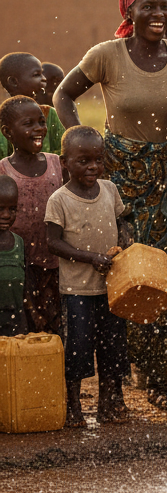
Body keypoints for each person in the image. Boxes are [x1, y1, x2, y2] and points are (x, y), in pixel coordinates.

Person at [54, 0, 167, 411]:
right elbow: (63, 95)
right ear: (129, 12)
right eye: (148, 6)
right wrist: (84, 143)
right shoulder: (107, 55)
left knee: (166, 270)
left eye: (163, 6)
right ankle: (119, 378)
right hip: (120, 176)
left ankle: (160, 380)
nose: (158, 14)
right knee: (123, 268)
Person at [45, 126, 133, 427]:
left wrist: (125, 239)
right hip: (78, 289)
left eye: (98, 159)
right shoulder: (59, 200)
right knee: (78, 348)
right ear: (64, 162)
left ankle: (109, 403)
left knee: (113, 346)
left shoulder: (109, 189)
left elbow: (122, 219)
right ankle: (73, 406)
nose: (92, 167)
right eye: (83, 160)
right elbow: (52, 242)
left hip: (112, 286)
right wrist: (90, 258)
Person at [0, 96, 63, 334]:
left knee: (54, 326)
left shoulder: (57, 165)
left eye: (41, 122)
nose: (39, 129)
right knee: (23, 327)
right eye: (28, 124)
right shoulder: (3, 170)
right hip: (18, 267)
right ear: (8, 132)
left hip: (55, 263)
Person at [0, 53, 65, 157]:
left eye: (42, 74)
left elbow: (63, 154)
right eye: (36, 75)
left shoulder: (50, 115)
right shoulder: (2, 117)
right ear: (13, 81)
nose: (44, 79)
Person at [0, 175, 27, 337]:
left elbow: (25, 291)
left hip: (13, 325)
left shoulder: (19, 244)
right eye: (0, 208)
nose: (6, 215)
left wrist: (24, 324)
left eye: (12, 209)